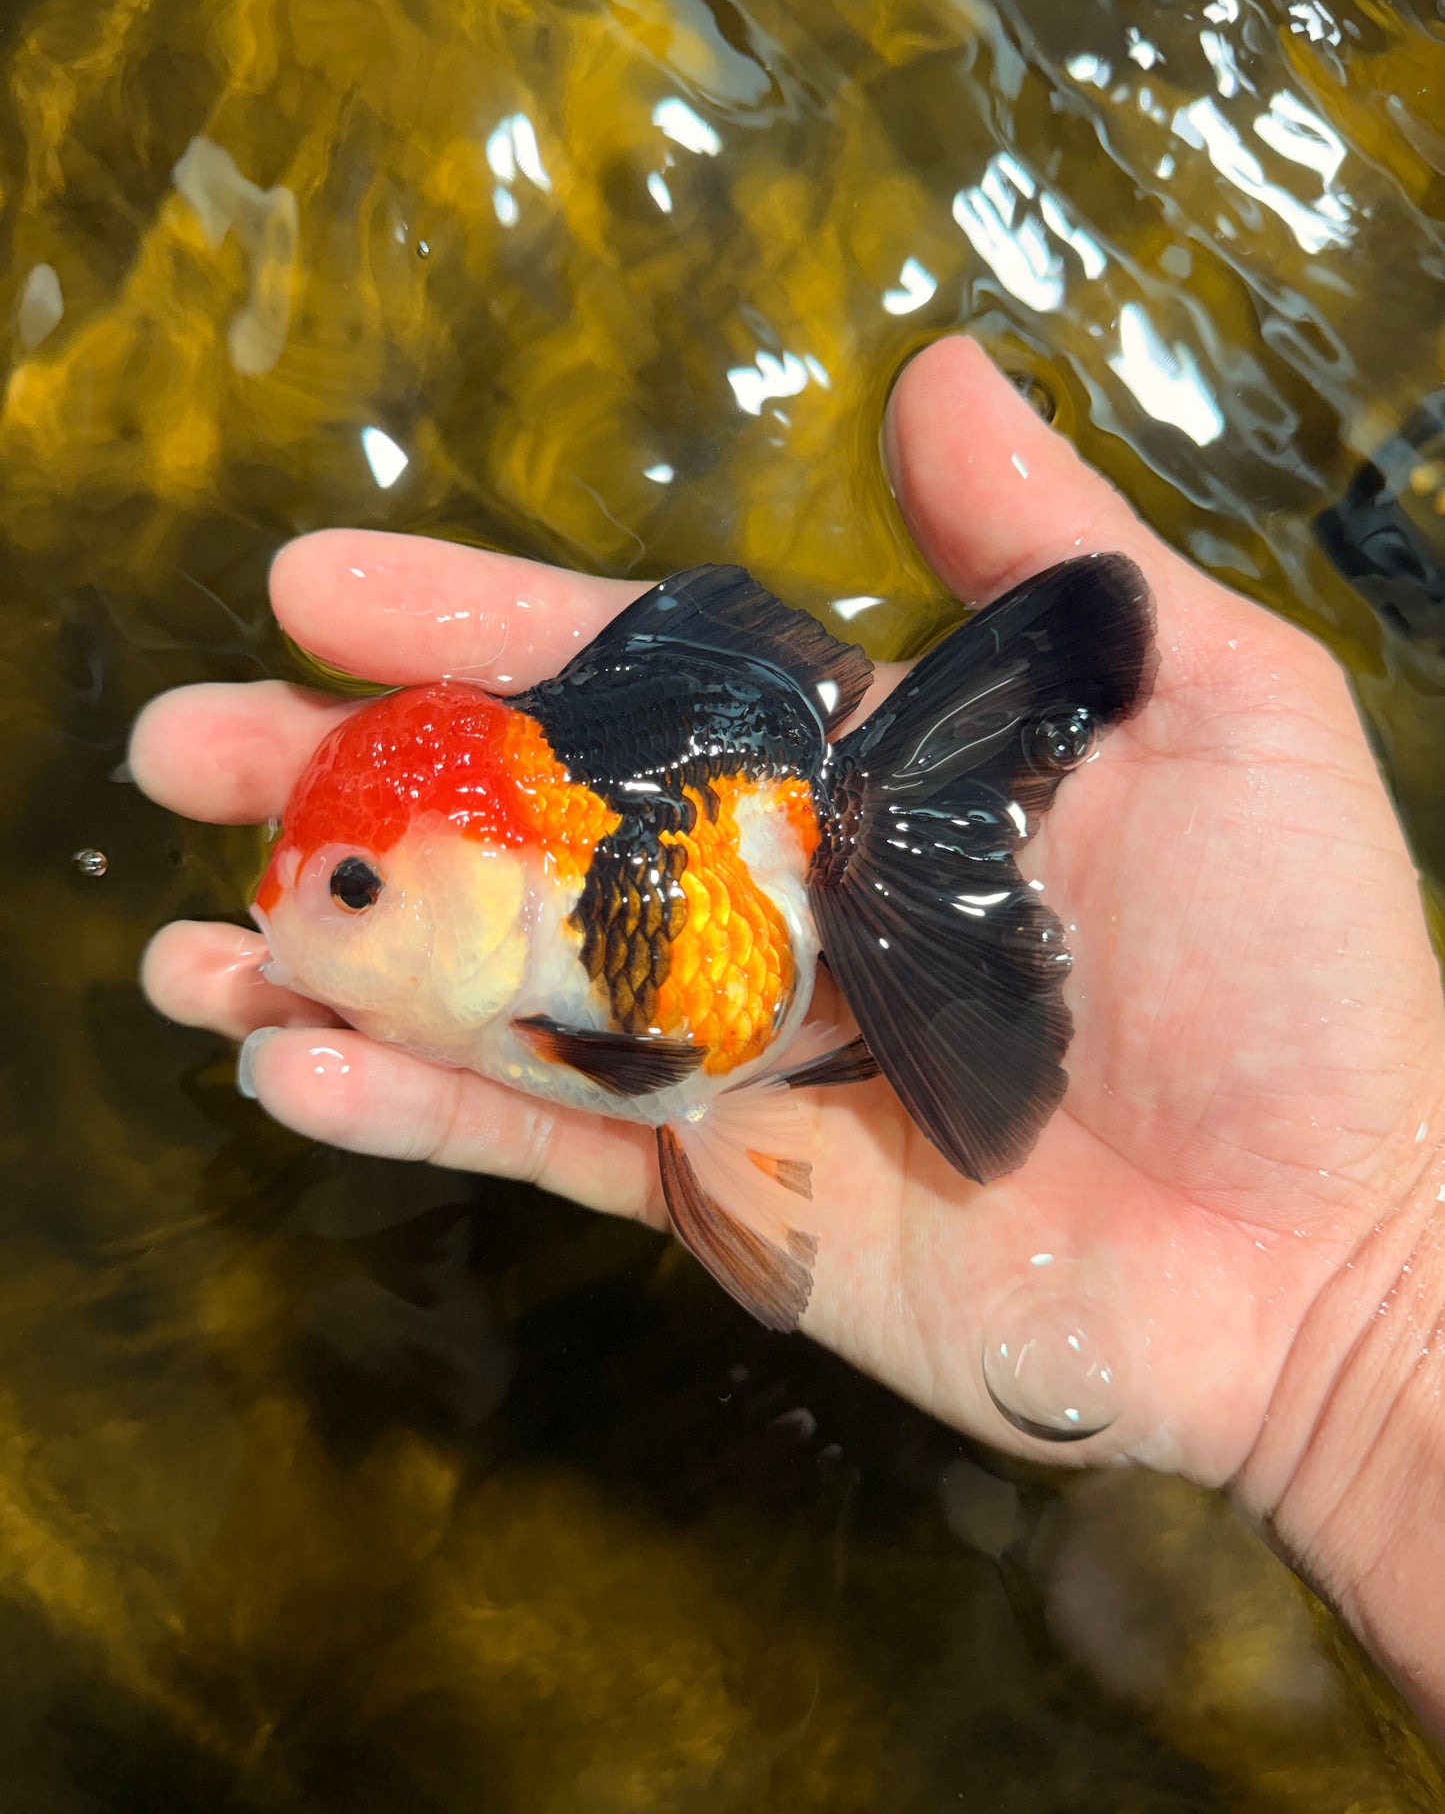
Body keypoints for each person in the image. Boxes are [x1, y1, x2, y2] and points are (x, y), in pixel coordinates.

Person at [130, 336, 1445, 1730]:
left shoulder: (571, 977)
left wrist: (1379, 1296)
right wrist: (1362, 1343)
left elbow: (646, 1068)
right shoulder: (508, 992)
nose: (294, 914)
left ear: (484, 879)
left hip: (759, 860)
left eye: (353, 889)